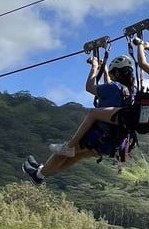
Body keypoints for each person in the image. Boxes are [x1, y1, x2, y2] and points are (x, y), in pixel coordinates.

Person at [23, 54, 137, 184]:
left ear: (117, 72)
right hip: (112, 143)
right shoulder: (131, 92)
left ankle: (38, 175)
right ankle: (42, 171)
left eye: (112, 74)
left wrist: (94, 67)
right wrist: (104, 69)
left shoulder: (113, 88)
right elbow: (108, 87)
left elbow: (90, 87)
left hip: (98, 136)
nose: (110, 77)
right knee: (76, 156)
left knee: (64, 151)